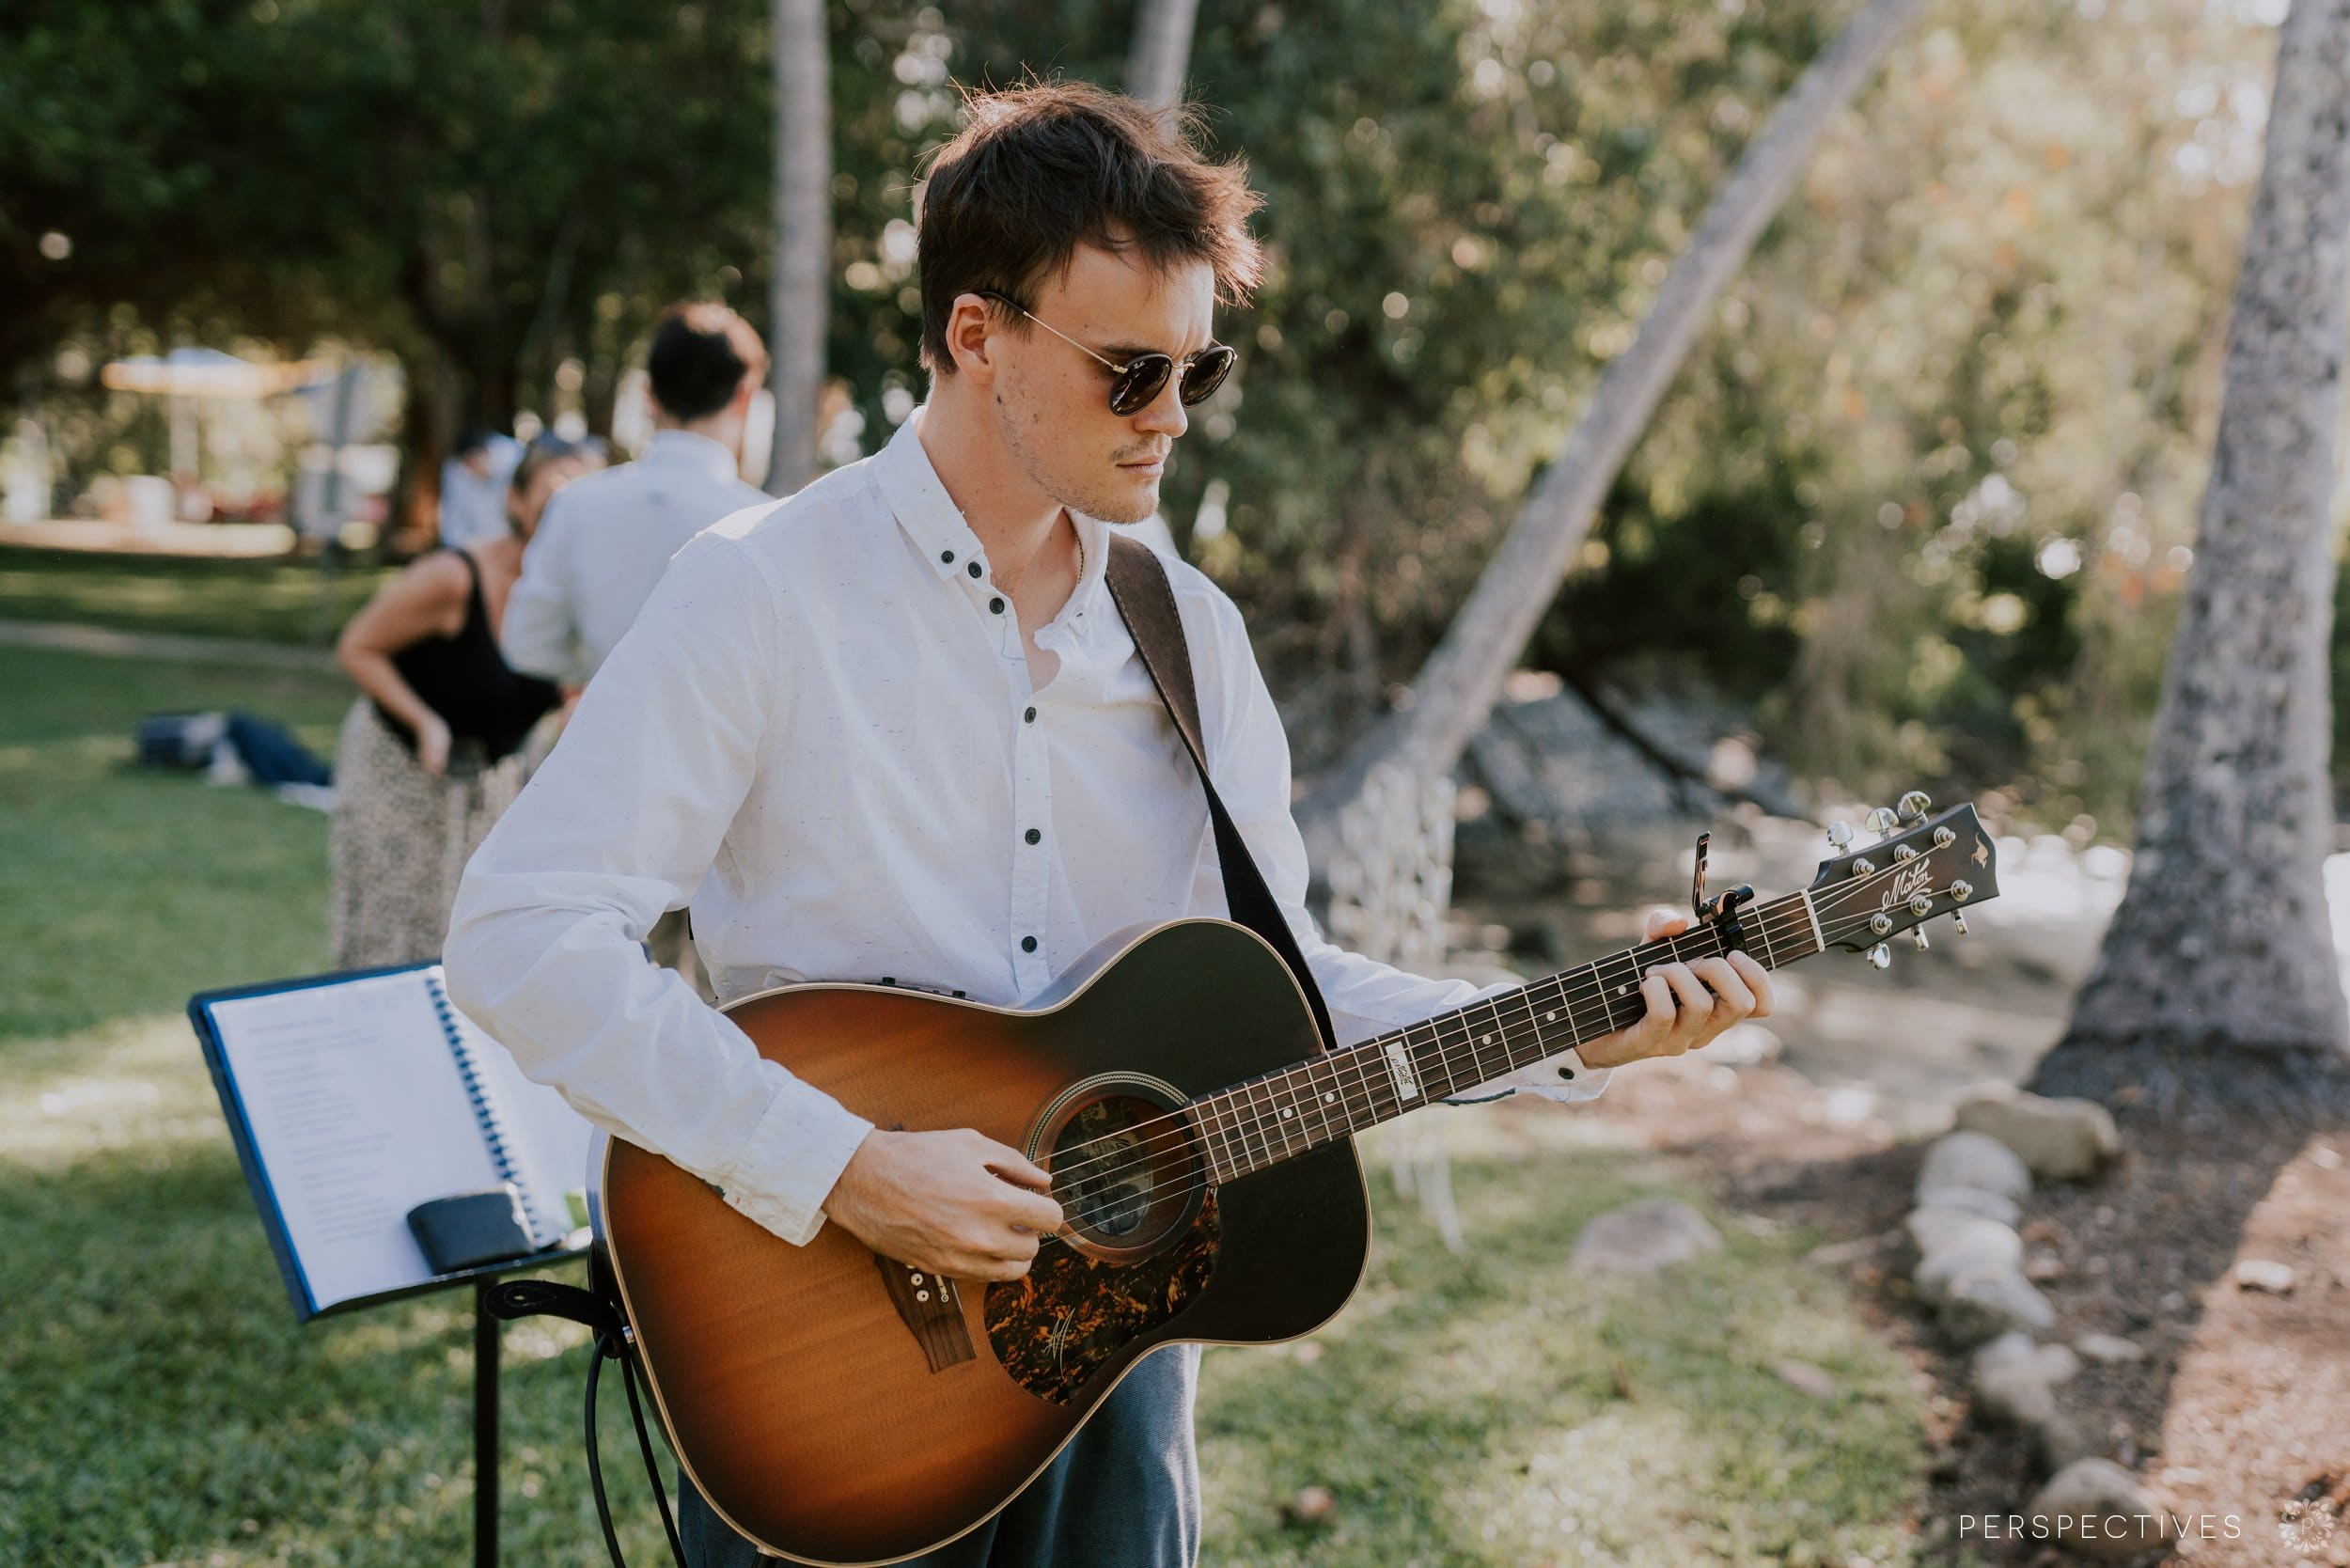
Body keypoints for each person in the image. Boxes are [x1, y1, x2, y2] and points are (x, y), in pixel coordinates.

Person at [446, 83, 1772, 1568]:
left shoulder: (1189, 637)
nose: (1171, 420)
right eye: (1129, 373)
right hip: (829, 1373)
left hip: (1121, 1380)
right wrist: (845, 1168)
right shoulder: (760, 592)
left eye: (1197, 370)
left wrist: (1574, 1032)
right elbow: (521, 933)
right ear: (976, 335)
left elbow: (1284, 984)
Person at [330, 436, 593, 969]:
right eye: (551, 498)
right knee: (391, 934)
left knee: (471, 944)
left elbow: (566, 692)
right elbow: (358, 647)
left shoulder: (578, 598)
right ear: (516, 502)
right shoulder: (453, 576)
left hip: (488, 777)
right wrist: (425, 722)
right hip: (399, 765)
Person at [499, 305, 773, 688]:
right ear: (744, 398)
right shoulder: (766, 521)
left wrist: (597, 681)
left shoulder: (576, 504)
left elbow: (527, 644)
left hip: (604, 731)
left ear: (649, 395)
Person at [436, 426, 523, 550]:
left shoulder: (514, 458)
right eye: (468, 465)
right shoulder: (455, 472)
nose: (473, 470)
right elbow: (453, 518)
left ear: (485, 452)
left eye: (475, 462)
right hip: (477, 548)